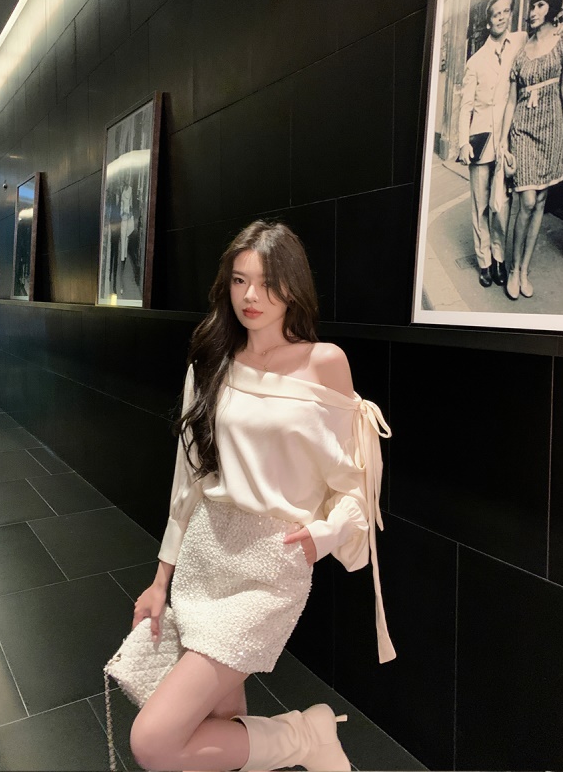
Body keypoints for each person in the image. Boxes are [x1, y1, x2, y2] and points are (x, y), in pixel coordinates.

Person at [128, 220, 395, 772]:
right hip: (206, 552)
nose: (251, 296)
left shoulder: (325, 363)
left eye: (268, 282)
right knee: (221, 717)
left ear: (294, 286)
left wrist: (325, 535)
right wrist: (160, 580)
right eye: (239, 280)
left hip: (271, 565)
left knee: (152, 742)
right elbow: (189, 477)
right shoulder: (212, 359)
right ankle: (299, 739)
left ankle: (303, 736)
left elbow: (355, 480)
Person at [499, 0, 563, 300]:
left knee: (541, 201)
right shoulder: (521, 53)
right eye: (531, 5)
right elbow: (510, 101)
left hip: (553, 129)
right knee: (527, 201)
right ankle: (513, 268)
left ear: (551, 7)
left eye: (540, 4)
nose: (533, 11)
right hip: (524, 130)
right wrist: (504, 139)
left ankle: (524, 270)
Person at [458, 0, 527, 288]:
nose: (500, 18)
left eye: (505, 12)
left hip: (508, 139)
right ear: (488, 21)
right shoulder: (475, 61)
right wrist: (463, 142)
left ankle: (499, 258)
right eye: (495, 14)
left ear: (511, 14)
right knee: (481, 205)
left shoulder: (520, 42)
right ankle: (484, 261)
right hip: (481, 140)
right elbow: (466, 106)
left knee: (503, 204)